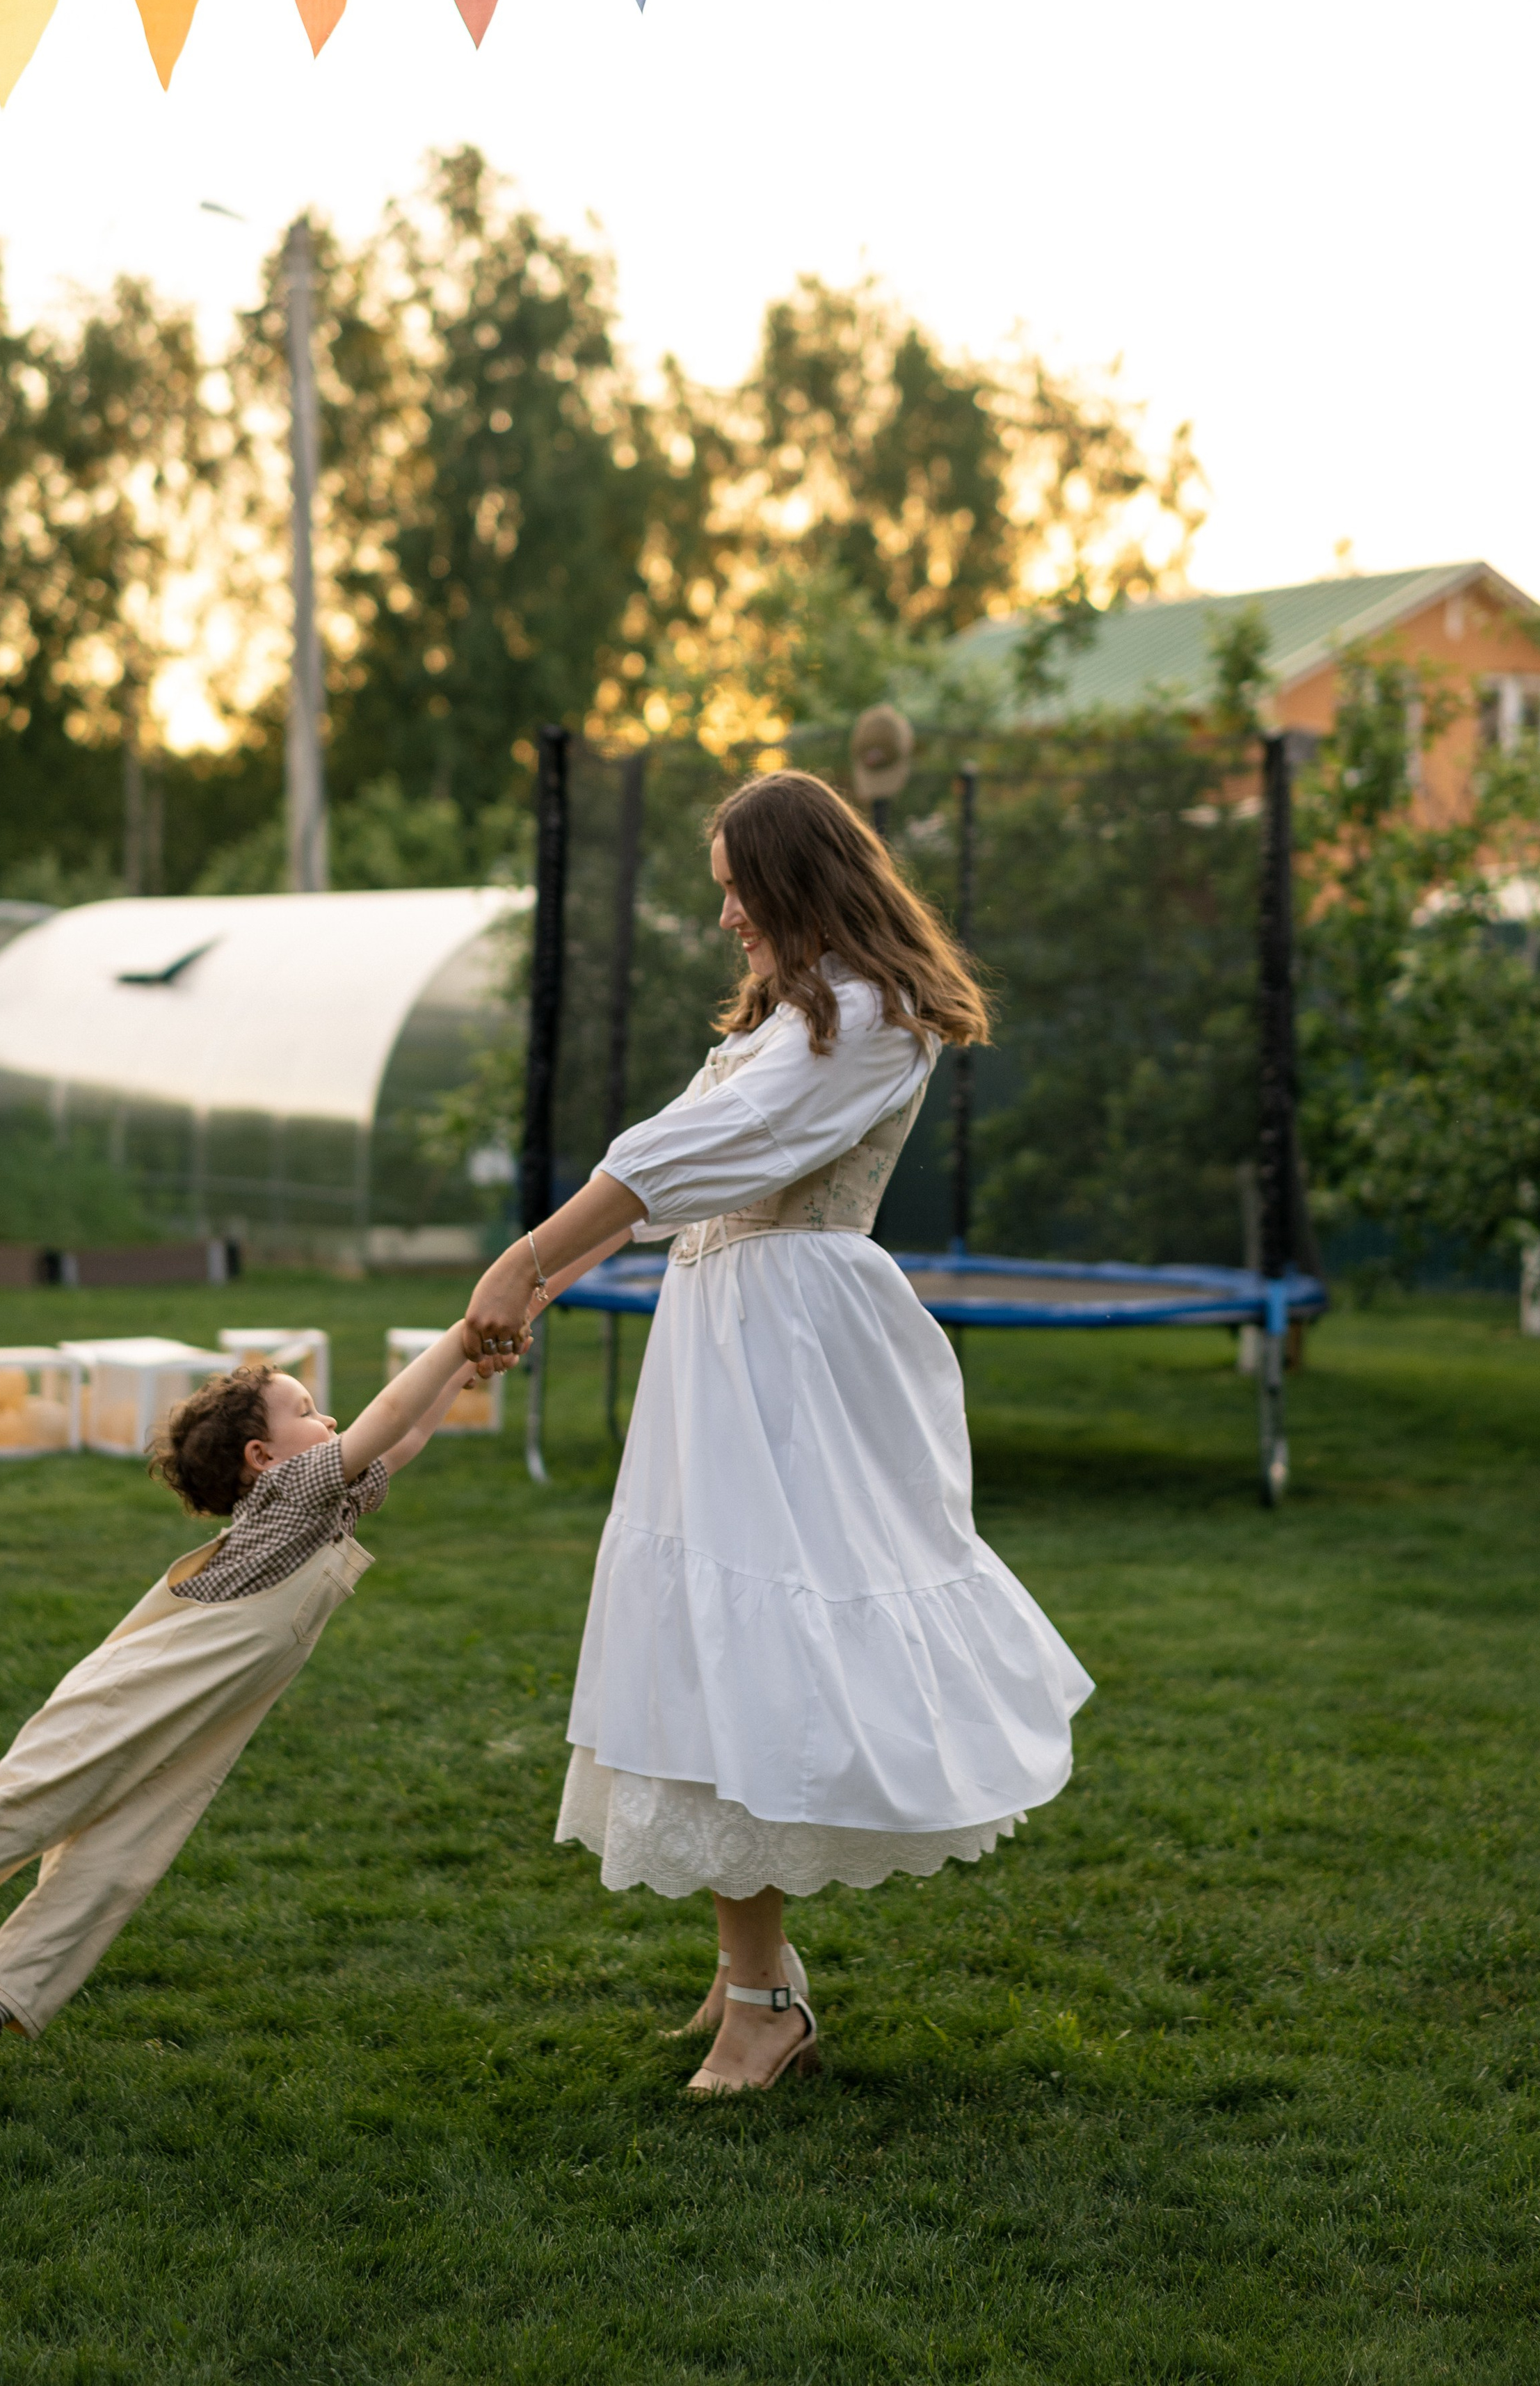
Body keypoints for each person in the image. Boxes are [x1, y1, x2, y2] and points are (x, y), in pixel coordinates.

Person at [463, 769, 1093, 2096]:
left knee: (745, 1643)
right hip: (732, 1339)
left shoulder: (865, 1016)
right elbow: (682, 1176)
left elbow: (711, 1151)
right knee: (708, 1632)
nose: (730, 917)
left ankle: (765, 2005)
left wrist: (526, 1260)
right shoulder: (796, 1015)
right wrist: (542, 1287)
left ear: (800, 877)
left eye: (740, 889)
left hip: (794, 1354)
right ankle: (753, 1975)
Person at [0, 1324, 506, 2093]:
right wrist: (461, 1337)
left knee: (119, 1861)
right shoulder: (289, 1495)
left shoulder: (324, 1507)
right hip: (131, 1697)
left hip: (199, 1722)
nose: (333, 1422)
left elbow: (398, 1442)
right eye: (309, 1410)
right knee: (38, 1805)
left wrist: (464, 1374)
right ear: (263, 1460)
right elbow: (387, 1413)